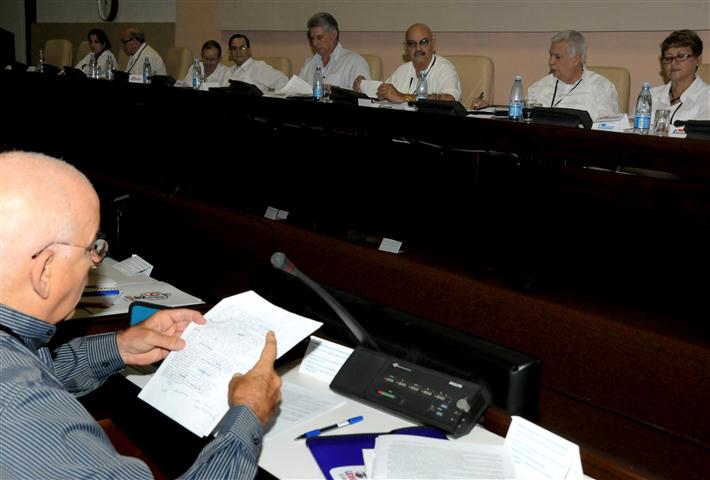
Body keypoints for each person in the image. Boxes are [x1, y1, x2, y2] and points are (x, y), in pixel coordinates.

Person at [0, 151, 282, 479]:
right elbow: (20, 393)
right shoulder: (23, 412)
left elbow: (28, 366)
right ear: (45, 269)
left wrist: (120, 347)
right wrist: (248, 414)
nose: (96, 263)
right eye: (93, 248)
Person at [354, 23, 461, 103]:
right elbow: (382, 97)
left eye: (423, 42)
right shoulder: (402, 71)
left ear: (433, 44)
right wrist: (362, 89)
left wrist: (403, 97)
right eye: (412, 44)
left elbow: (449, 99)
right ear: (405, 48)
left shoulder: (445, 68)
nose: (418, 48)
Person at [525, 30, 618, 120]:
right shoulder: (537, 88)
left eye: (557, 57)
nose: (551, 62)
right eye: (551, 56)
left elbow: (609, 129)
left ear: (576, 59)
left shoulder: (601, 88)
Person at [650, 29, 710, 130]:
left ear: (698, 60)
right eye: (668, 58)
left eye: (681, 56)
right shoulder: (650, 96)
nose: (673, 63)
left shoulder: (707, 99)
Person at [299, 12, 370, 90]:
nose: (314, 43)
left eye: (319, 37)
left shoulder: (354, 61)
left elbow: (364, 98)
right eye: (312, 38)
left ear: (333, 34)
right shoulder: (309, 63)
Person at [221, 34, 288, 92]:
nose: (238, 51)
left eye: (243, 47)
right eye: (234, 48)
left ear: (249, 50)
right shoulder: (228, 71)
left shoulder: (259, 67)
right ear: (230, 52)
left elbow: (283, 80)